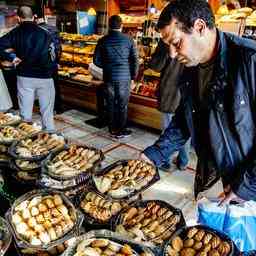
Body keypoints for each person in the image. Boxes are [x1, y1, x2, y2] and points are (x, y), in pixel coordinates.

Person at [141, 0, 256, 204]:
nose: (172, 54)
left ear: (200, 27)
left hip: (248, 185)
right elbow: (184, 119)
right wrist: (156, 154)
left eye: (176, 43)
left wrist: (246, 187)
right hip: (217, 177)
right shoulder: (192, 67)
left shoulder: (249, 60)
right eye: (168, 46)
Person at [0, 6, 56, 131]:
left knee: (25, 113)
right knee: (47, 112)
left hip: (24, 76)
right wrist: (50, 70)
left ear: (18, 18)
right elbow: (54, 54)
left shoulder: (15, 32)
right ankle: (50, 135)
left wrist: (12, 57)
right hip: (45, 77)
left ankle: (26, 138)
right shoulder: (45, 33)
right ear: (34, 17)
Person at [148, 37, 190, 170]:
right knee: (184, 125)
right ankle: (183, 161)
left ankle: (164, 160)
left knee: (168, 127)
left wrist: (169, 55)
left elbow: (155, 66)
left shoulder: (166, 40)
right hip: (185, 91)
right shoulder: (193, 38)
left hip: (172, 91)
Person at [93, 15, 139, 139]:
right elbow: (135, 60)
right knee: (123, 105)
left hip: (109, 77)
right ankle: (122, 130)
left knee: (111, 104)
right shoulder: (129, 40)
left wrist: (108, 66)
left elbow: (96, 61)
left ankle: (112, 129)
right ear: (121, 25)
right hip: (125, 78)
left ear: (109, 25)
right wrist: (133, 78)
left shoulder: (103, 40)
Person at [34, 8, 63, 114]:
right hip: (53, 63)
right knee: (55, 86)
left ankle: (47, 109)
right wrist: (57, 61)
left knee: (43, 88)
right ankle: (58, 108)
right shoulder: (53, 28)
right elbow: (58, 48)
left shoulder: (35, 31)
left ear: (35, 18)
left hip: (42, 64)